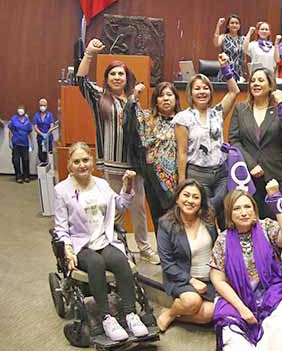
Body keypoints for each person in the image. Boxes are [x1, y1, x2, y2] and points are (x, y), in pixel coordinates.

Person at [53, 142, 149, 341]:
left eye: (85, 160)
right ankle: (107, 318)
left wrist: (127, 186)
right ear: (70, 165)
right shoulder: (62, 190)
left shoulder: (102, 185)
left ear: (92, 161)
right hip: (81, 245)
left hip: (103, 240)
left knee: (121, 261)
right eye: (76, 161)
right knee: (96, 263)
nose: (82, 165)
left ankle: (131, 314)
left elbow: (121, 206)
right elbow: (61, 227)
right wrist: (68, 251)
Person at [75, 38, 157, 264]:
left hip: (134, 164)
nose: (117, 77)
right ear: (107, 78)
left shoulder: (133, 100)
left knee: (139, 209)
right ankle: (116, 246)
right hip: (111, 164)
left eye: (121, 74)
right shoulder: (99, 97)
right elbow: (79, 80)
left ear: (127, 77)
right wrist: (90, 53)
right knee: (113, 208)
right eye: (113, 74)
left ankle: (145, 248)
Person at [210, 189, 282, 351]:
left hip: (270, 292)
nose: (243, 212)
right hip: (237, 296)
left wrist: (275, 197)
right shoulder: (223, 239)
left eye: (247, 206)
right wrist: (242, 309)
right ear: (230, 214)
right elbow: (217, 279)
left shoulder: (266, 228)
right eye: (237, 208)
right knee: (229, 325)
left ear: (255, 210)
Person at [175, 53, 241, 229]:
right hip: (198, 176)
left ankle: (226, 254)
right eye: (197, 88)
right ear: (190, 92)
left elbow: (235, 91)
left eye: (205, 88)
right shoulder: (183, 118)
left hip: (221, 174)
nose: (202, 92)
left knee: (225, 217)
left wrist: (226, 68)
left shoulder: (217, 113)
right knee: (206, 220)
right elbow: (181, 152)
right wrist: (182, 182)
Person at [228, 66, 282, 219]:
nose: (256, 84)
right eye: (252, 81)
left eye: (260, 80)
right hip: (247, 178)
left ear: (270, 85)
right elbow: (234, 140)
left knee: (277, 225)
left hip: (275, 176)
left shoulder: (279, 108)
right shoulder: (241, 109)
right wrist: (251, 164)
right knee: (249, 223)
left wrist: (281, 104)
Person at [155, 179, 218, 332]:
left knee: (210, 313)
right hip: (181, 277)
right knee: (192, 301)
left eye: (195, 197)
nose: (190, 201)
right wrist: (191, 280)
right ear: (177, 198)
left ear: (201, 201)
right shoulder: (166, 224)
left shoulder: (208, 220)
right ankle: (170, 314)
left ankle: (179, 316)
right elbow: (167, 264)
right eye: (186, 195)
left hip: (208, 279)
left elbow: (217, 249)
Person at [125, 81, 181, 228]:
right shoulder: (148, 118)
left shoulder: (183, 120)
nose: (166, 99)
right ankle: (163, 250)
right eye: (161, 96)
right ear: (156, 100)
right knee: (159, 219)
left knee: (178, 219)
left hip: (178, 178)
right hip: (153, 177)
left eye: (169, 95)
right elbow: (129, 116)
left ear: (176, 98)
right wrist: (135, 95)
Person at [214, 14, 247, 82]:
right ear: (228, 26)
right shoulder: (224, 37)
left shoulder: (243, 39)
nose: (234, 25)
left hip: (238, 72)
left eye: (236, 23)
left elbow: (244, 58)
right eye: (232, 23)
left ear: (239, 26)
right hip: (226, 71)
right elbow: (216, 43)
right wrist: (218, 26)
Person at [8, 104, 33, 183]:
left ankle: (26, 176)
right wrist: (9, 141)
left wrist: (31, 142)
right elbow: (10, 131)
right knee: (16, 161)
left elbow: (29, 132)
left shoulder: (27, 120)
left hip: (25, 144)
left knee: (25, 160)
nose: (20, 110)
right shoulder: (14, 119)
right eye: (19, 108)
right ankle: (18, 176)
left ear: (24, 110)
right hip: (16, 143)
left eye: (22, 109)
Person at [33, 98, 56, 165]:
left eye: (44, 105)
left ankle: (49, 171)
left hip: (49, 138)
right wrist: (42, 134)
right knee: (41, 155)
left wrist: (47, 134)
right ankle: (42, 170)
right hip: (40, 138)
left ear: (46, 106)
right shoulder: (36, 115)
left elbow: (52, 125)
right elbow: (35, 127)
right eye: (41, 105)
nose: (42, 107)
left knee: (49, 154)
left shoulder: (50, 115)